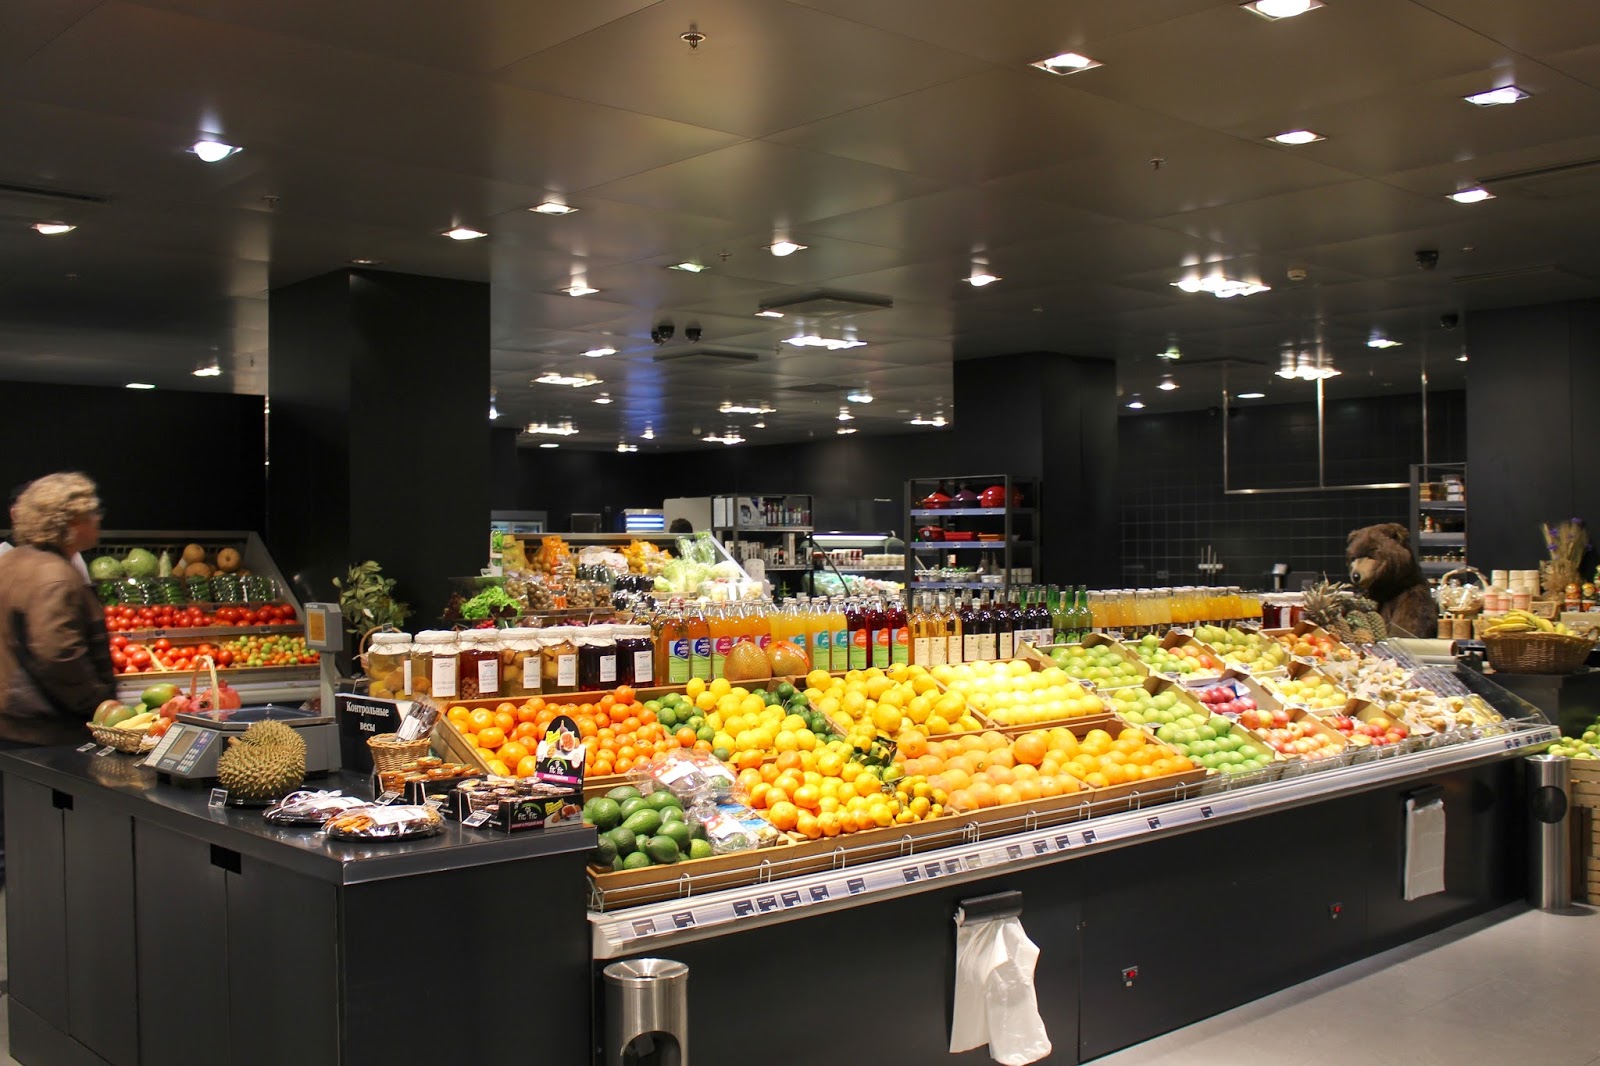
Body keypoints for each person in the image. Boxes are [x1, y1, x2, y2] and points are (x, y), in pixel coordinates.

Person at [0, 474, 116, 885]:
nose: (98, 519)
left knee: (17, 835)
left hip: (12, 724)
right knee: (54, 840)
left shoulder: (12, 563)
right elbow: (57, 653)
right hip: (46, 732)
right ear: (68, 522)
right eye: (91, 512)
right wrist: (98, 704)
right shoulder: (54, 575)